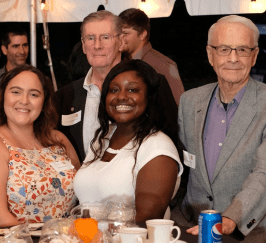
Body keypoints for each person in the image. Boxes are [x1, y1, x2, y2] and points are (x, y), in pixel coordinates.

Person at [171, 15, 266, 242]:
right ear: (210, 55)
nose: (233, 58)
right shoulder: (190, 102)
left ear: (254, 56)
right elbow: (183, 169)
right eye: (224, 49)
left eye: (242, 50)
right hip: (194, 230)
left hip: (255, 234)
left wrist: (231, 218)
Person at [0, 64, 80, 231]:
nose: (24, 101)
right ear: (3, 96)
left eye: (34, 94)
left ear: (44, 101)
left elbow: (83, 191)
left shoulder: (58, 140)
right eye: (16, 92)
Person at [74, 59, 182, 223]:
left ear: (149, 96)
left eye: (132, 90)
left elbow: (145, 222)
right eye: (114, 90)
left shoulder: (158, 146)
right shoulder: (103, 138)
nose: (121, 97)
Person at [55, 10, 125, 162]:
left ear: (121, 42)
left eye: (105, 37)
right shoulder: (65, 96)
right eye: (90, 38)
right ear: (84, 45)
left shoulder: (147, 87)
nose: (97, 45)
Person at [119, 8, 185, 105]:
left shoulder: (162, 65)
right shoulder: (121, 61)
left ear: (142, 34)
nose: (120, 38)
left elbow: (179, 106)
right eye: (119, 33)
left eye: (125, 33)